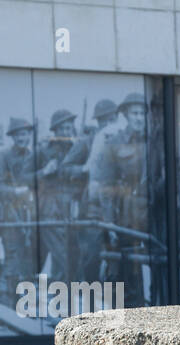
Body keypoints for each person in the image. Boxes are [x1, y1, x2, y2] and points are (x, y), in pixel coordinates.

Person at [91, 93, 150, 307]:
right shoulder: (114, 144)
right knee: (125, 269)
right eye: (135, 113)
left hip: (151, 214)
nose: (139, 117)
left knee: (159, 271)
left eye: (142, 113)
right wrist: (109, 223)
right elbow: (106, 188)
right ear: (125, 115)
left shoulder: (154, 142)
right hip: (125, 215)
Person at [63, 98, 117, 284]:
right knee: (91, 255)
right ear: (98, 122)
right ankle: (90, 295)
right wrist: (83, 169)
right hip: (90, 207)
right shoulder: (87, 143)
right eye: (103, 120)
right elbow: (65, 168)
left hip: (116, 206)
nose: (108, 125)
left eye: (111, 120)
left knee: (117, 255)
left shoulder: (123, 141)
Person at [0, 117, 36, 302]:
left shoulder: (32, 155)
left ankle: (28, 299)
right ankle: (12, 299)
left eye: (24, 134)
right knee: (12, 252)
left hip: (30, 212)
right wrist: (14, 191)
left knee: (29, 253)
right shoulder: (4, 156)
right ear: (13, 137)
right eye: (18, 135)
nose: (22, 138)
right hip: (11, 212)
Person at [35, 108, 79, 283]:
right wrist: (44, 171)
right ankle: (63, 293)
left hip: (71, 206)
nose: (66, 132)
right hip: (50, 207)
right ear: (55, 130)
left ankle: (61, 292)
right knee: (61, 253)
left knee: (71, 251)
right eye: (63, 129)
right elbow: (25, 178)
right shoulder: (43, 152)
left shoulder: (77, 149)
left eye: (69, 128)